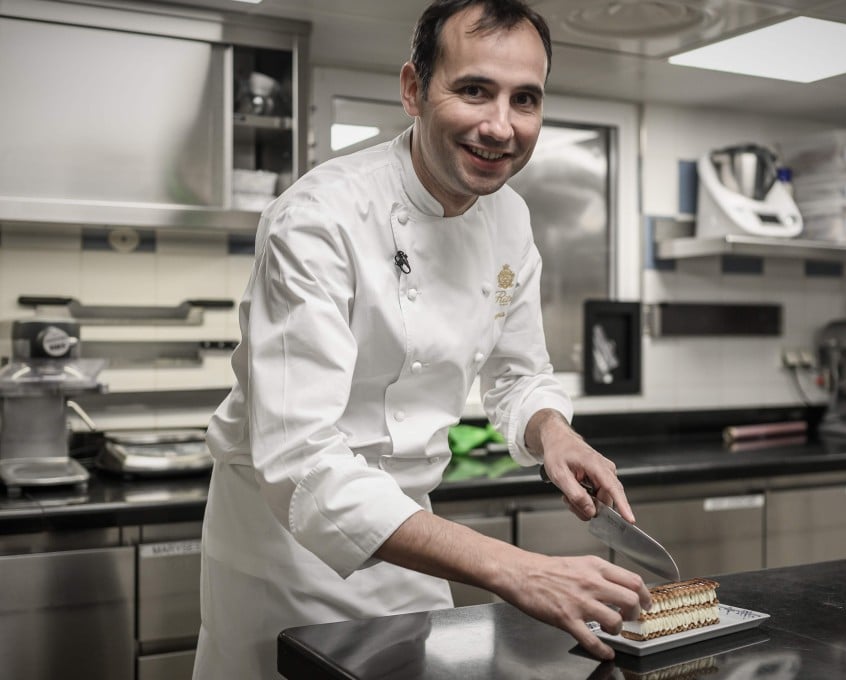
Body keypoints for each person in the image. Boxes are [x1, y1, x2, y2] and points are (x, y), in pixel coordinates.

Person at [192, 1, 651, 677]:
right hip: (282, 546)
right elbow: (300, 462)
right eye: (474, 90)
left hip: (412, 534)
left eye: (525, 99)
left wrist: (555, 432)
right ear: (413, 89)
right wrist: (512, 567)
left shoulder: (511, 218)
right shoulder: (318, 220)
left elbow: (518, 373)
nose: (501, 126)